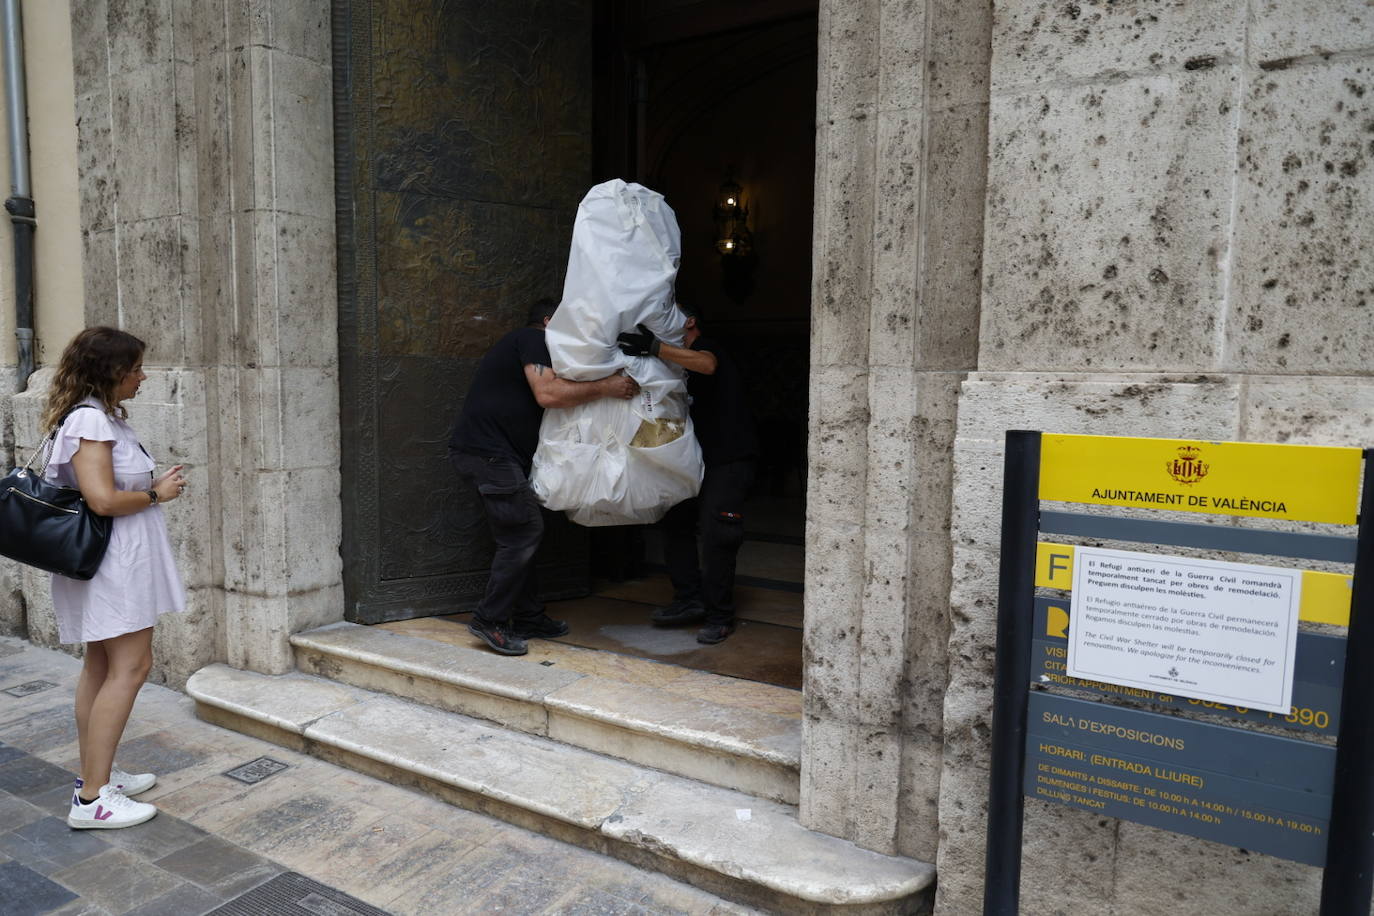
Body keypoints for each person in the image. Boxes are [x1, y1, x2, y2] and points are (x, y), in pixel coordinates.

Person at [42, 327, 188, 829]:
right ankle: (92, 801)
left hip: (110, 561)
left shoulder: (97, 418)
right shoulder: (90, 421)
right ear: (112, 371)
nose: (142, 377)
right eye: (135, 369)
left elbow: (101, 488)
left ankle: (95, 776)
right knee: (132, 666)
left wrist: (150, 483)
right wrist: (155, 496)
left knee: (101, 668)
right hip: (112, 564)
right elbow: (102, 500)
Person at [450, 297, 639, 656]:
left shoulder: (535, 345)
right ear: (550, 321)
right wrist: (607, 387)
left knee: (521, 533)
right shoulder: (534, 339)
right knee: (523, 532)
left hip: (493, 455)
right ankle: (489, 619)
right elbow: (548, 393)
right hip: (488, 455)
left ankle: (528, 615)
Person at [617, 304, 758, 644]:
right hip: (691, 460)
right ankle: (688, 600)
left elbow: (707, 365)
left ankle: (719, 616)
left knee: (717, 533)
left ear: (689, 321)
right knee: (675, 523)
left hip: (729, 458)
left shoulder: (708, 346)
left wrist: (654, 348)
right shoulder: (670, 362)